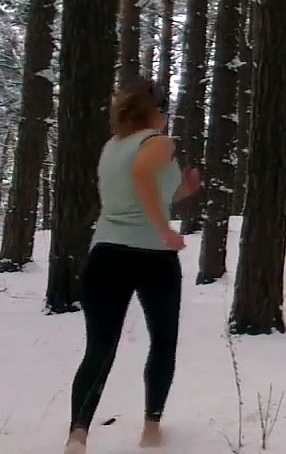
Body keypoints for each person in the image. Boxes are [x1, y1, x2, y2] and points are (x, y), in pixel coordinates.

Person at [65, 79, 201, 454]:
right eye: (165, 110)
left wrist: (182, 192)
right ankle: (151, 429)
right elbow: (143, 176)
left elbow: (138, 191)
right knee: (163, 341)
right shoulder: (158, 142)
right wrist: (164, 230)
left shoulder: (112, 146)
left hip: (106, 253)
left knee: (100, 347)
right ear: (155, 111)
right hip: (151, 255)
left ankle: (78, 435)